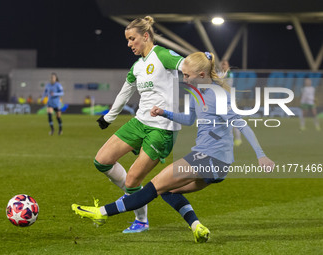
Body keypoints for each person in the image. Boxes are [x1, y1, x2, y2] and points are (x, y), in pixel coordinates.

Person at [72, 52, 275, 243]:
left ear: (202, 74)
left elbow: (241, 124)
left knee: (153, 187)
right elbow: (188, 119)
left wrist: (261, 155)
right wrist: (164, 113)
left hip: (209, 158)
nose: (185, 79)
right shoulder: (199, 93)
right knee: (168, 191)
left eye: (188, 75)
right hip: (217, 166)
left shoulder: (217, 95)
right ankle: (197, 227)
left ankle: (103, 213)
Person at [83, 16, 184, 233]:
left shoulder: (163, 55)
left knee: (131, 180)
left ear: (145, 36)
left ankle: (140, 220)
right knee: (102, 161)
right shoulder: (137, 66)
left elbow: (187, 65)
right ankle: (133, 196)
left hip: (162, 128)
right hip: (139, 122)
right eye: (128, 40)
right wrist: (109, 117)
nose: (129, 44)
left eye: (132, 39)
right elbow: (125, 91)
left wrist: (206, 65)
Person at [218, 59, 242, 146]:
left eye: (225, 64)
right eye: (222, 64)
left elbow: (220, 80)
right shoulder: (219, 74)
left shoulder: (229, 73)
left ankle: (238, 138)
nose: (223, 66)